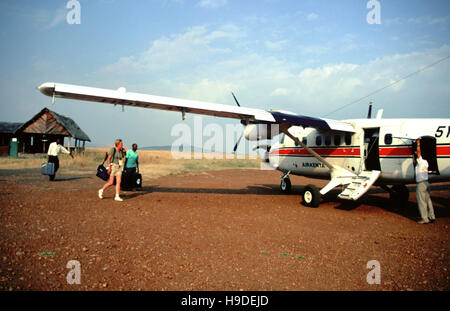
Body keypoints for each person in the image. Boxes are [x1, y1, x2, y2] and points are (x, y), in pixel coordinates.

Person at [414, 138, 435, 224]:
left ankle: (425, 219)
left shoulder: (421, 161)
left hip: (421, 184)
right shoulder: (426, 163)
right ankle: (432, 216)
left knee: (422, 202)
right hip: (426, 183)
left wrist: (418, 143)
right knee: (428, 200)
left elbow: (419, 153)